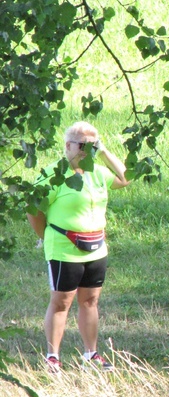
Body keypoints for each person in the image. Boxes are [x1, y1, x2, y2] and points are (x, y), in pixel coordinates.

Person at [27, 121, 130, 373]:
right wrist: (45, 236)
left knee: (91, 301)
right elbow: (33, 209)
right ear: (68, 146)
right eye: (82, 145)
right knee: (61, 302)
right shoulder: (53, 175)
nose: (86, 150)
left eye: (91, 146)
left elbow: (125, 178)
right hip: (63, 247)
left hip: (96, 247)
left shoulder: (97, 172)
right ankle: (52, 357)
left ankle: (91, 354)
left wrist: (103, 151)